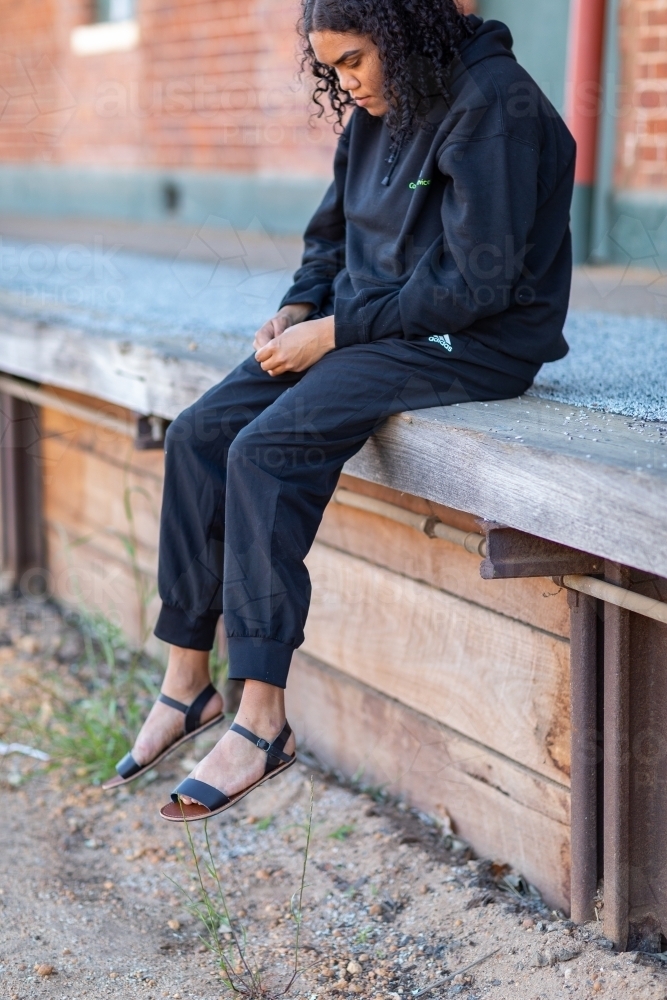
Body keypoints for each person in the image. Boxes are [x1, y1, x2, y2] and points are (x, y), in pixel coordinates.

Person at [104, 0, 576, 821]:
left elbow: (479, 284)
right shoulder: (377, 107)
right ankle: (187, 685)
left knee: (266, 451)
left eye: (354, 59)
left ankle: (261, 719)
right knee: (201, 434)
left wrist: (336, 332)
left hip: (470, 341)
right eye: (331, 68)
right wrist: (298, 311)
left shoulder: (496, 106)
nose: (344, 81)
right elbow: (331, 240)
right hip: (364, 329)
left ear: (403, 35)